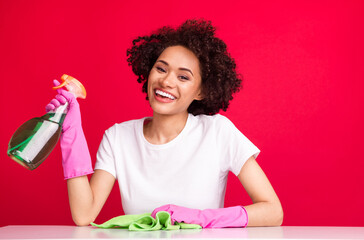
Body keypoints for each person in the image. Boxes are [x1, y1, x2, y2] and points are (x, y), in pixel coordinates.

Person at [46, 19, 283, 227]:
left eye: (183, 76)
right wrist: (71, 133)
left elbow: (273, 211)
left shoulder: (218, 132)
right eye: (161, 69)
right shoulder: (117, 137)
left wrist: (202, 217)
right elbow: (83, 215)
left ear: (201, 91)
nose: (167, 81)